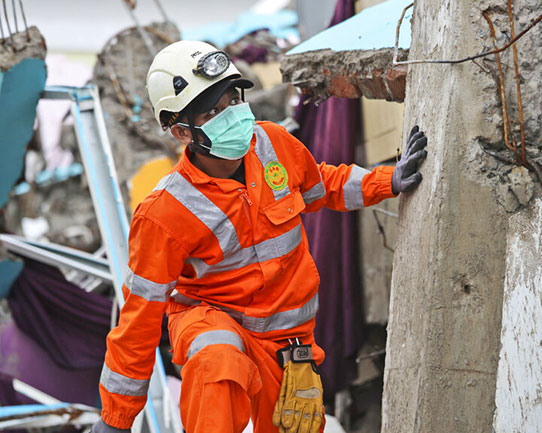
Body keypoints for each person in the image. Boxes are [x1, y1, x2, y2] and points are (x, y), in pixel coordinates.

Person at [91, 40, 427, 433]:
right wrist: (116, 419)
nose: (231, 114)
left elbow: (324, 184)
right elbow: (139, 320)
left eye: (232, 100)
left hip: (287, 346)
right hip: (214, 325)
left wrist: (388, 180)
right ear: (183, 131)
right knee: (218, 361)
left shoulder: (273, 145)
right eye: (214, 111)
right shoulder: (164, 214)